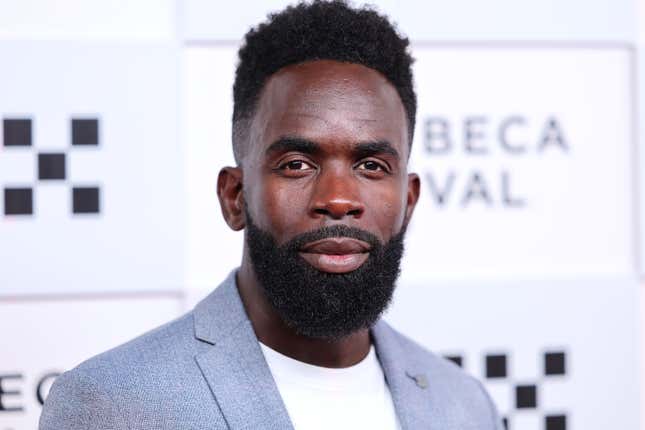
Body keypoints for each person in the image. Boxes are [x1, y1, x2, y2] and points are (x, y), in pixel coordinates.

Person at [40, 1, 503, 429]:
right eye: (297, 164)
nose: (338, 199)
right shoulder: (112, 404)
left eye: (371, 166)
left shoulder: (462, 403)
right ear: (235, 196)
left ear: (408, 202)